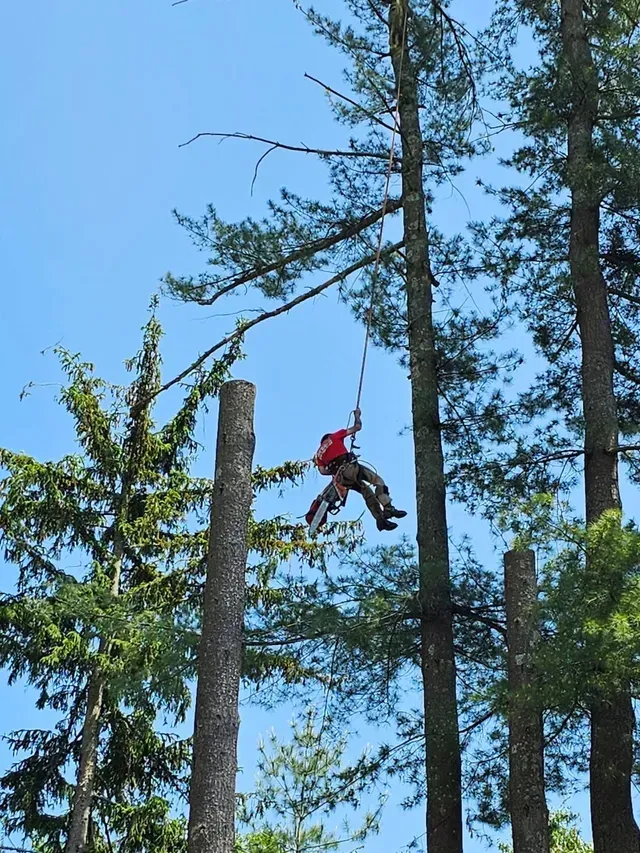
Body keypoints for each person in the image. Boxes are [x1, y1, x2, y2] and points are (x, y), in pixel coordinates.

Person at [314, 408, 406, 531]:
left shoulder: (318, 454)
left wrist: (335, 470)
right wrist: (358, 415)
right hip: (350, 468)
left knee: (366, 492)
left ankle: (380, 520)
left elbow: (322, 471)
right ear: (328, 436)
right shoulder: (334, 437)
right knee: (378, 481)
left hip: (341, 478)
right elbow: (357, 427)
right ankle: (388, 508)